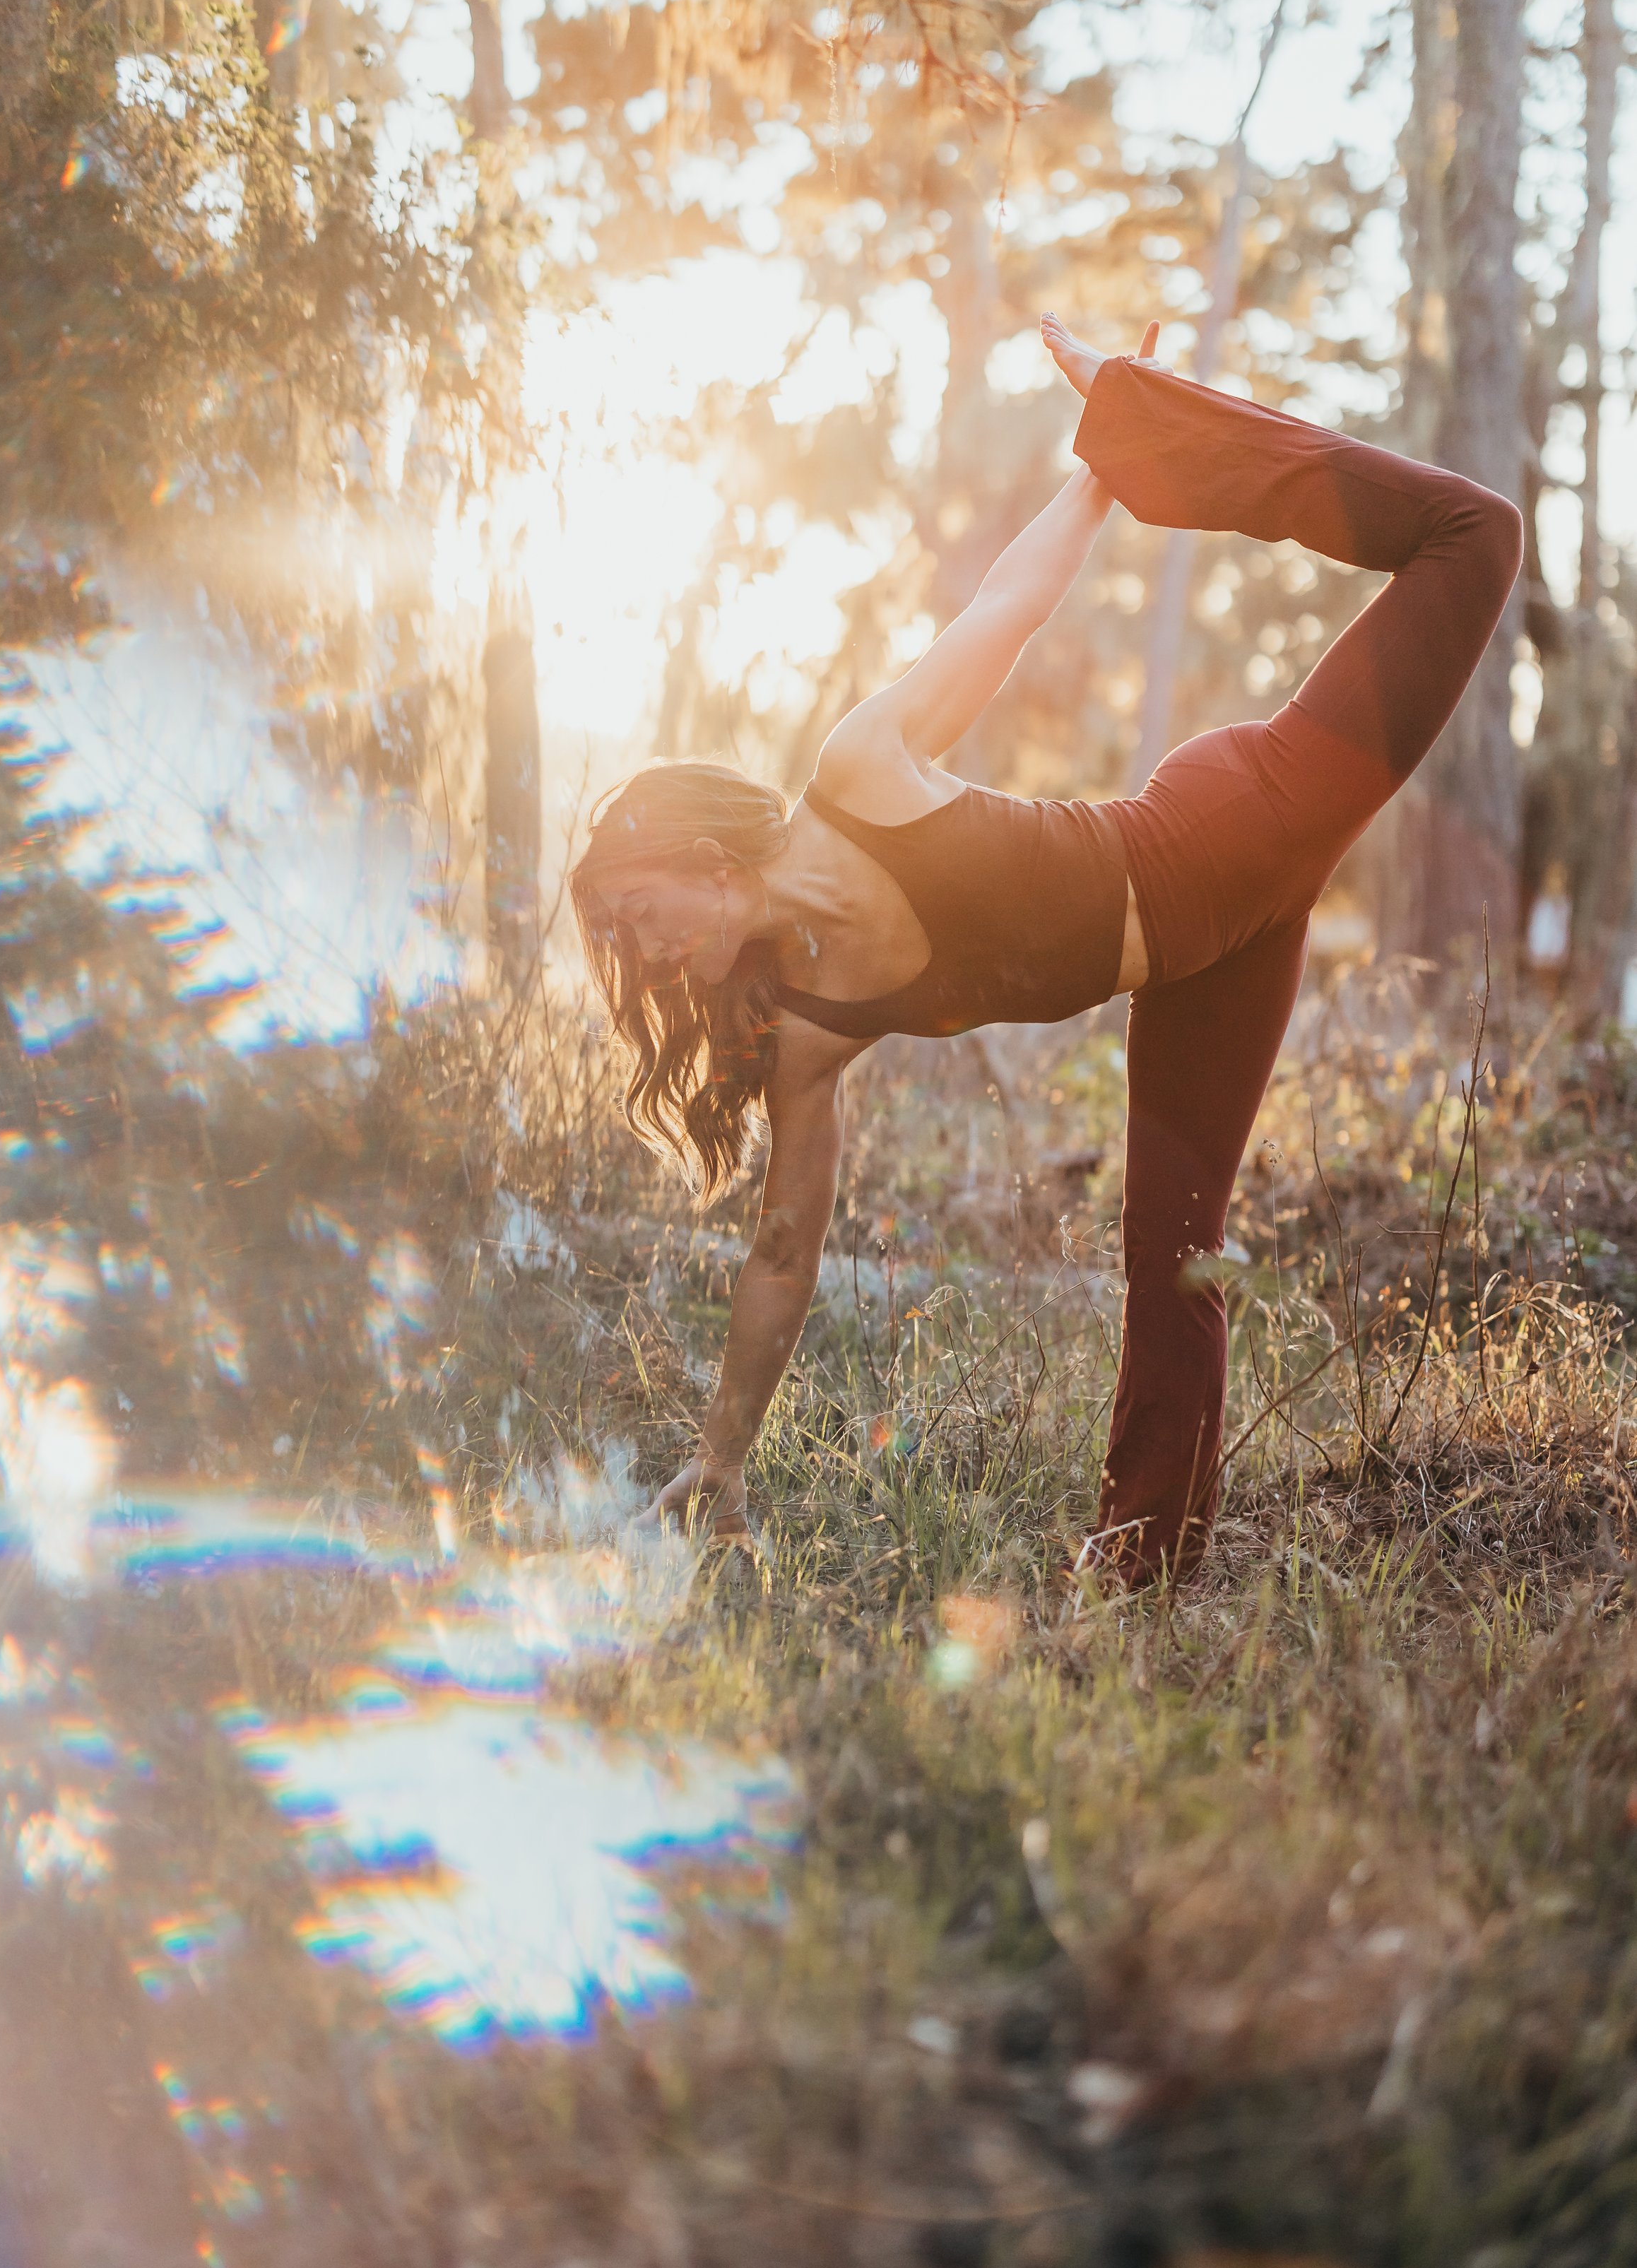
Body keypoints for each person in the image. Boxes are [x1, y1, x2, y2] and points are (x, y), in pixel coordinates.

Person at [570, 314, 1523, 1583]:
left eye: (638, 909)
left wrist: (1114, 449)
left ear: (701, 856)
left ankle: (1160, 417)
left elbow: (1005, 612)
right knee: (1174, 1254)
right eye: (622, 939)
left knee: (1477, 534)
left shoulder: (858, 774)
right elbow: (781, 1252)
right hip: (1194, 963)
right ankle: (1139, 1574)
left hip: (1229, 829)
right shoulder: (800, 1025)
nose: (640, 948)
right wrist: (724, 1461)